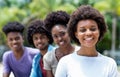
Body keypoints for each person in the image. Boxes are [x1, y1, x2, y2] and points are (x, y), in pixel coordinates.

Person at [55, 5, 118, 77]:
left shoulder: (109, 64)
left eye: (93, 29)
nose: (88, 33)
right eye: (82, 30)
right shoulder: (65, 62)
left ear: (99, 31)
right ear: (76, 34)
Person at [43, 11, 79, 77]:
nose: (59, 39)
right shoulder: (48, 58)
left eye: (62, 34)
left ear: (69, 32)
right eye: (55, 36)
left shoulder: (81, 52)